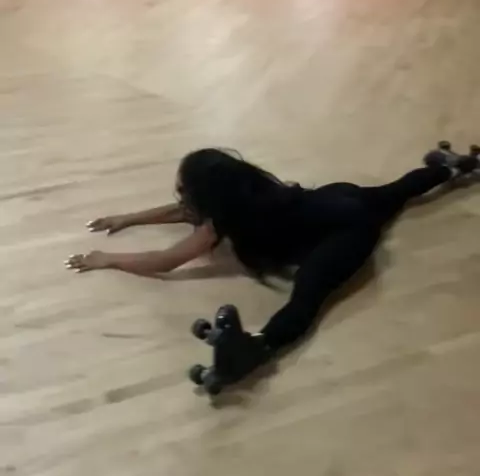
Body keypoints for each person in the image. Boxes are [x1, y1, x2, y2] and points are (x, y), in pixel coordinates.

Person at [66, 145, 478, 366]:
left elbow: (166, 262)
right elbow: (184, 211)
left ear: (206, 195)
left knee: (309, 293)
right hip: (336, 198)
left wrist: (109, 259)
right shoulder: (241, 191)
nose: (179, 194)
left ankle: (260, 346)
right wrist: (128, 218)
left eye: (183, 187)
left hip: (346, 231)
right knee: (393, 194)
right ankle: (451, 167)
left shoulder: (222, 218)